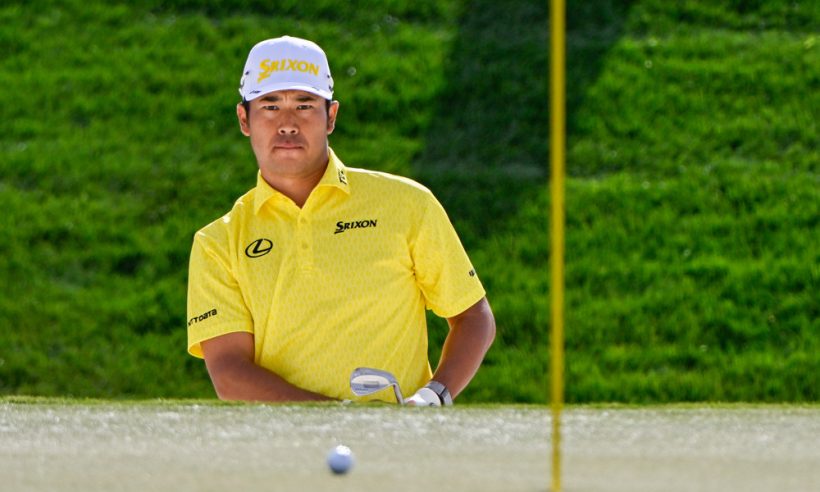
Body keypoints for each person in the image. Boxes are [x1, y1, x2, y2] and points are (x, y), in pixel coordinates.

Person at [186, 36, 495, 405]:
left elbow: (473, 316)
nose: (287, 123)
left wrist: (434, 396)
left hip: (401, 444)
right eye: (269, 106)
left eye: (304, 105)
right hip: (282, 451)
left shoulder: (407, 203)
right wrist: (336, 419)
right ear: (244, 119)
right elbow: (230, 372)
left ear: (330, 116)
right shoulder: (218, 242)